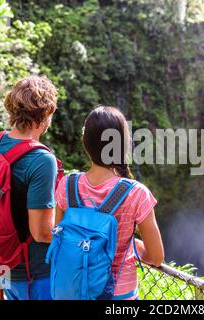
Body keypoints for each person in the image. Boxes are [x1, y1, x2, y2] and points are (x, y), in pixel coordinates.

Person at [54, 106, 164, 300]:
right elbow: (156, 257)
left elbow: (60, 236)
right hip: (118, 295)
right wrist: (134, 245)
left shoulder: (67, 185)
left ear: (86, 142)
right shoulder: (136, 193)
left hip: (73, 289)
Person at [0, 76, 59, 300]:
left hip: (4, 264)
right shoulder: (42, 160)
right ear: (46, 112)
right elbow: (41, 232)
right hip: (35, 273)